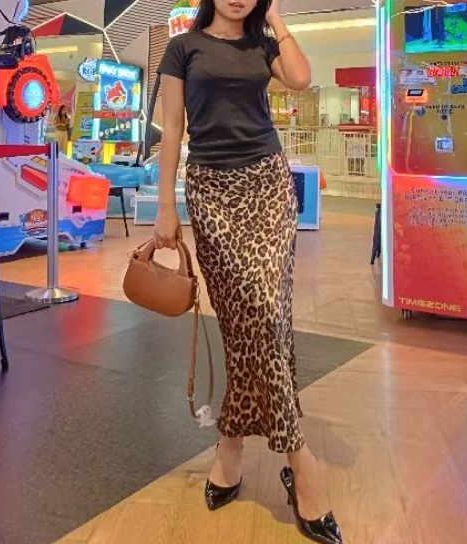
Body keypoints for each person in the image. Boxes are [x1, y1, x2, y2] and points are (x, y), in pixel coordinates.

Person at [154, 1, 342, 543]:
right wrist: (166, 205)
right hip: (211, 191)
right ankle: (247, 446)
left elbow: (301, 79)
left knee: (266, 313)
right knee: (245, 324)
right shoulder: (183, 48)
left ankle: (293, 458)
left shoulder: (263, 43)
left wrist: (276, 20)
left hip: (267, 186)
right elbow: (173, 129)